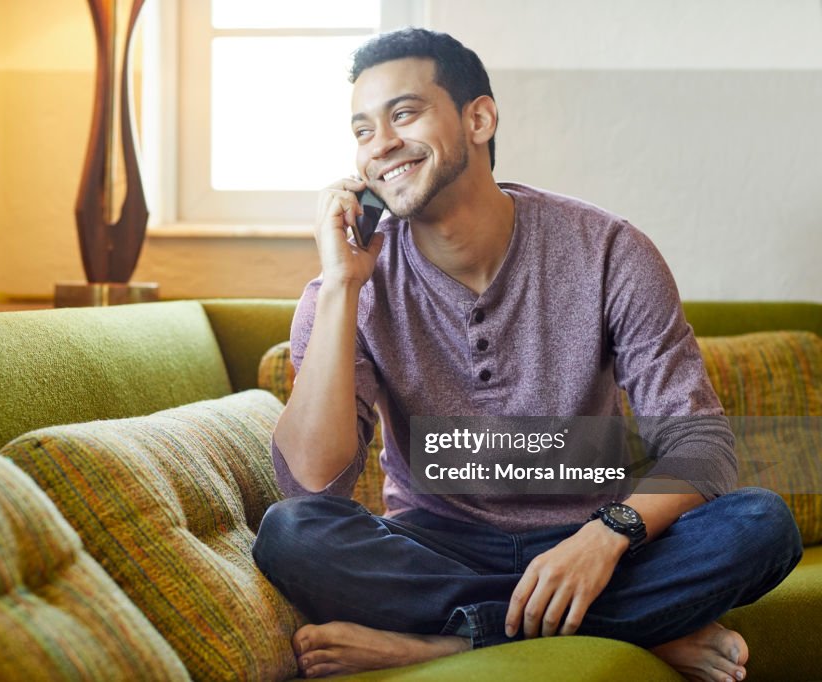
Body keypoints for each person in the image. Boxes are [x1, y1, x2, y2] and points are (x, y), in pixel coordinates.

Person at [251, 28, 802, 682]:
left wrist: (606, 536)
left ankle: (454, 641)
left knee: (764, 525)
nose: (381, 146)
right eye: (363, 130)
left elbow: (701, 442)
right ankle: (632, 630)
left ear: (478, 117)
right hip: (437, 549)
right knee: (291, 533)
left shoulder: (610, 252)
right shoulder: (346, 288)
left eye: (404, 113)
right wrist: (342, 284)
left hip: (594, 535)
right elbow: (311, 485)